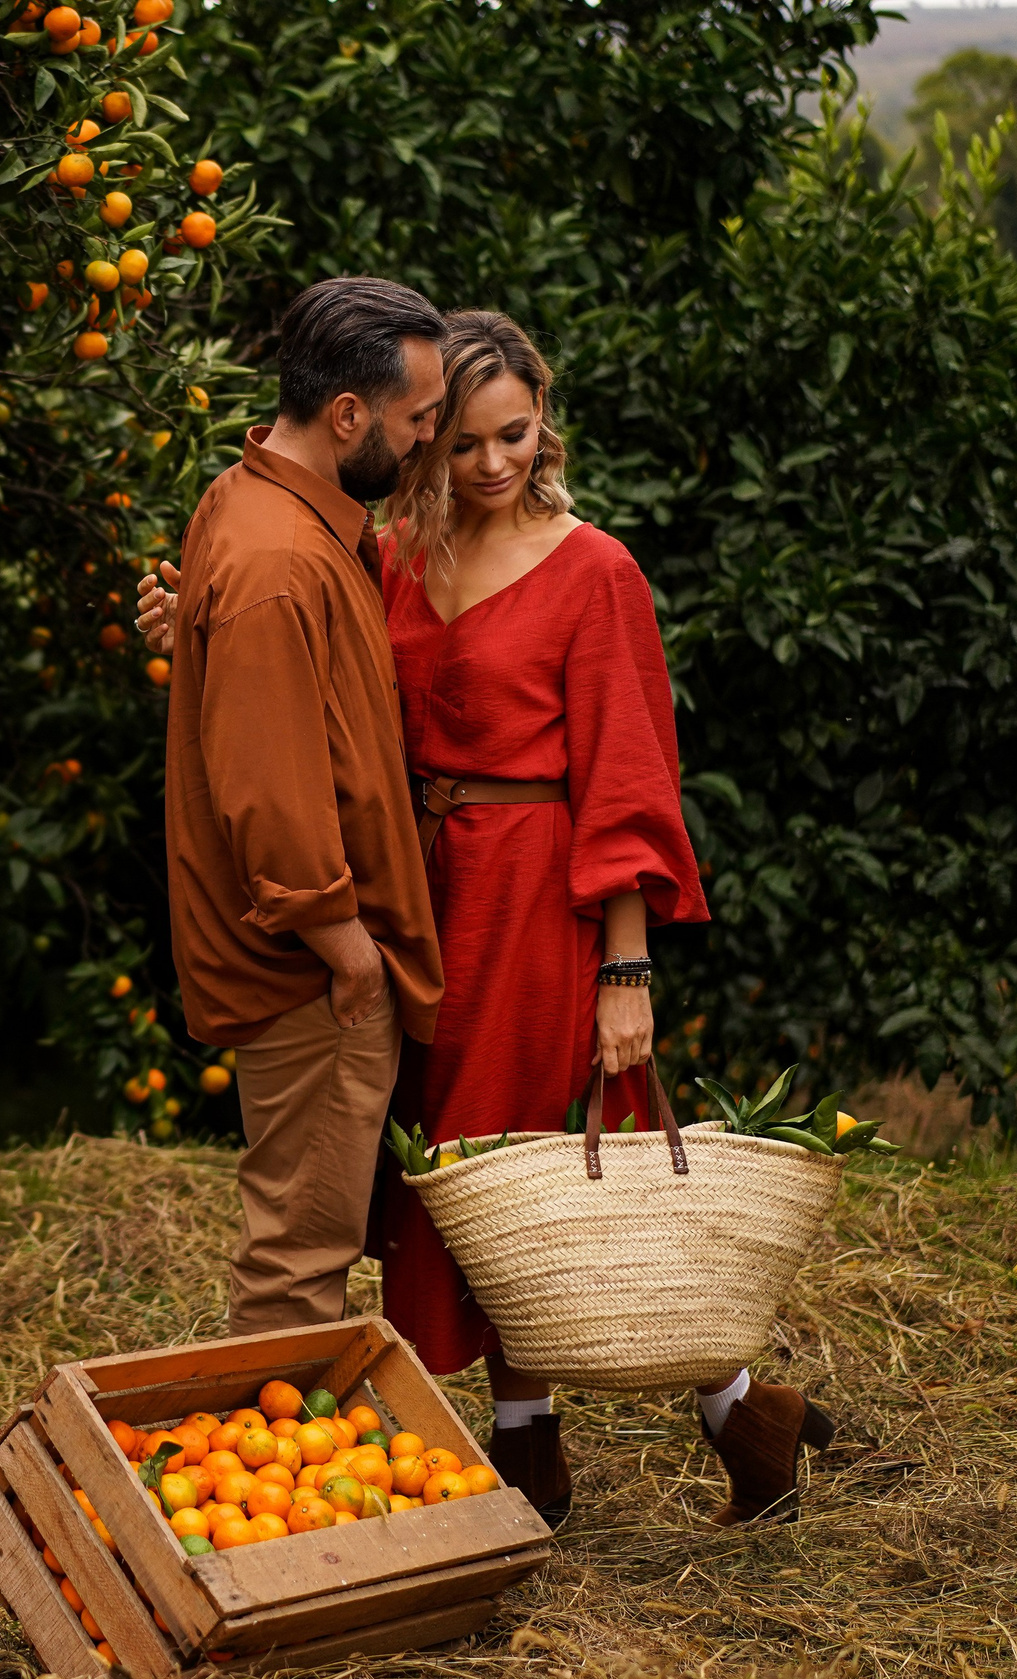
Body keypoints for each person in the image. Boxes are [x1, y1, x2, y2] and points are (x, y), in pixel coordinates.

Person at [139, 308, 835, 1528]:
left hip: (535, 894)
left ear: (542, 422)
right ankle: (573, 1430)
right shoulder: (388, 559)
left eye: (513, 434)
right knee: (453, 1171)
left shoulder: (594, 569)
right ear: (419, 446)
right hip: (419, 885)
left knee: (537, 1162)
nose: (492, 463)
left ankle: (699, 1409)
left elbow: (624, 781)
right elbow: (312, 692)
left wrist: (627, 971)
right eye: (459, 442)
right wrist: (188, 635)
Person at [160, 276, 448, 1342]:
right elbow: (269, 798)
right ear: (347, 417)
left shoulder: (257, 505)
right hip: (309, 974)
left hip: (314, 962)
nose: (425, 440)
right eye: (417, 420)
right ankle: (277, 1499)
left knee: (307, 1234)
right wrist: (352, 958)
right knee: (298, 1256)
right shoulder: (280, 557)